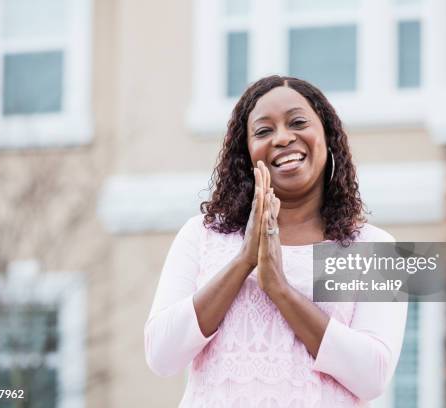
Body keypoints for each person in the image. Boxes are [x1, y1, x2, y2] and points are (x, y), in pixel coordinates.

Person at [144, 75, 408, 407]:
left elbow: (373, 376)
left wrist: (279, 289)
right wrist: (243, 262)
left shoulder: (374, 246)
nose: (283, 138)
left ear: (328, 137)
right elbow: (161, 355)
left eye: (298, 122)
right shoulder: (201, 234)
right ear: (246, 152)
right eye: (264, 131)